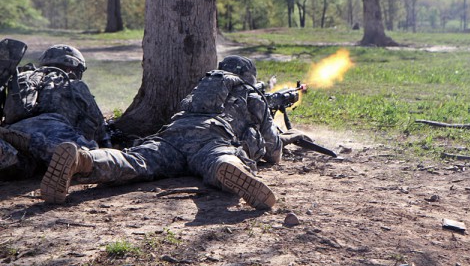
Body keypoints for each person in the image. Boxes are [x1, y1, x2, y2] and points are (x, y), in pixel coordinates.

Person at [40, 55, 310, 210]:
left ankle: (84, 160)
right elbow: (273, 151)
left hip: (172, 135)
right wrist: (282, 133)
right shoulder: (251, 93)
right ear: (249, 76)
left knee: (136, 160)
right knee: (218, 159)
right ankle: (231, 168)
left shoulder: (204, 87)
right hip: (212, 137)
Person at [0, 44, 110, 180]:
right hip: (53, 129)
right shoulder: (74, 84)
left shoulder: (25, 77)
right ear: (71, 67)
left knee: (23, 164)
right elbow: (98, 126)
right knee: (84, 155)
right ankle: (36, 144)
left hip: (15, 127)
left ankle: (11, 151)